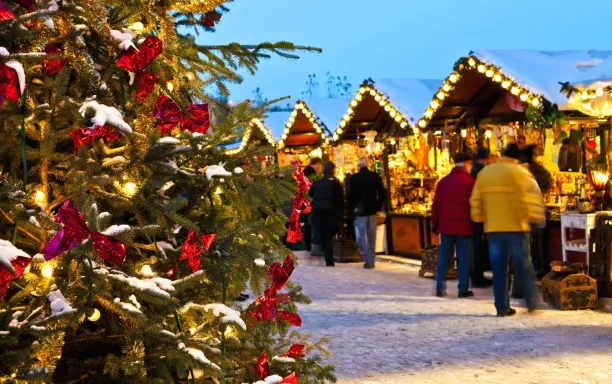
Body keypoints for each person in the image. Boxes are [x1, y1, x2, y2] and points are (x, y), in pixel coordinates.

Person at [470, 143, 545, 317]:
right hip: (518, 227)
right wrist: (536, 221)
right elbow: (533, 199)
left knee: (499, 269)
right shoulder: (521, 173)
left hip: (494, 229)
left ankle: (502, 307)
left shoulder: (485, 173)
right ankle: (531, 302)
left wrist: (479, 219)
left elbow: (476, 200)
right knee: (524, 264)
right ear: (516, 157)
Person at [431, 152, 475, 298]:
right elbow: (474, 205)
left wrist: (435, 223)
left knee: (444, 257)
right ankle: (463, 289)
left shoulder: (443, 182)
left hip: (446, 227)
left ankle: (440, 287)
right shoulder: (470, 182)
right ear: (467, 164)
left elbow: (436, 205)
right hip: (465, 227)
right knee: (464, 258)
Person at [520, 145, 552, 279]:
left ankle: (532, 272)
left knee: (527, 248)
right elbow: (547, 181)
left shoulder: (523, 175)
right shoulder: (536, 172)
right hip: (536, 215)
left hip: (528, 216)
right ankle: (538, 269)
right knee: (534, 245)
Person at [347, 157, 385, 269]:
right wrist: (378, 205)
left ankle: (368, 260)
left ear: (358, 165)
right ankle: (372, 259)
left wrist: (353, 209)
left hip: (360, 212)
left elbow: (350, 196)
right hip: (372, 210)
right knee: (372, 235)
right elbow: (382, 193)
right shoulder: (375, 177)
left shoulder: (354, 178)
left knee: (362, 236)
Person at [309, 161, 344, 267]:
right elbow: (340, 199)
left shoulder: (317, 180)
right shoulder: (335, 182)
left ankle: (321, 249)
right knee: (329, 234)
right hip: (330, 211)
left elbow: (310, 194)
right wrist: (340, 213)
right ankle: (329, 259)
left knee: (321, 232)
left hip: (318, 210)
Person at [470, 148, 492, 288]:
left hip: (476, 216)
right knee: (478, 248)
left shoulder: (475, 171)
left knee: (477, 248)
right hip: (478, 217)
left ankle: (477, 276)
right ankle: (477, 278)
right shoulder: (481, 173)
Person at [302, 157, 322, 253]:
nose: (319, 167)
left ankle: (308, 244)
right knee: (310, 224)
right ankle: (311, 244)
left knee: (308, 223)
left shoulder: (305, 171)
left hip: (305, 201)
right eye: (318, 165)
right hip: (310, 201)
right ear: (315, 164)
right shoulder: (310, 173)